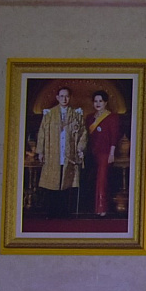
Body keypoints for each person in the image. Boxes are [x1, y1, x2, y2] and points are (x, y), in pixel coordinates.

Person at [33, 85, 84, 217]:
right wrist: (41, 151)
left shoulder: (76, 114)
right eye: (61, 96)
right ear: (57, 97)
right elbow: (42, 133)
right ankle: (51, 211)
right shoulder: (49, 114)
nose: (64, 99)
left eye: (66, 96)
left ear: (70, 97)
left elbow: (83, 133)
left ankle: (64, 212)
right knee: (52, 181)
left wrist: (80, 149)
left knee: (66, 181)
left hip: (69, 153)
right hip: (53, 152)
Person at [84, 90, 123, 218]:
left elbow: (114, 136)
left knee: (102, 180)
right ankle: (93, 208)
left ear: (105, 102)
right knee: (93, 180)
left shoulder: (112, 117)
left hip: (105, 153)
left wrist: (112, 153)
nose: (98, 103)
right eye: (95, 101)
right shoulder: (90, 118)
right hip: (92, 153)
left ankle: (102, 208)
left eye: (100, 101)